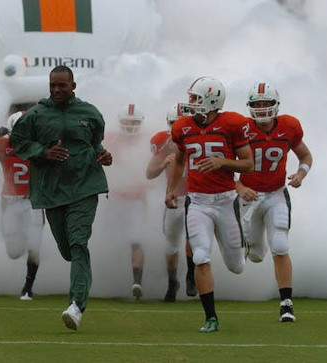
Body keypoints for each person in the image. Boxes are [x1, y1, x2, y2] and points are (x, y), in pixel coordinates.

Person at [10, 65, 112, 331]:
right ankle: (79, 289)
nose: (56, 90)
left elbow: (96, 143)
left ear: (73, 86)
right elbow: (18, 143)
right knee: (67, 250)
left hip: (85, 187)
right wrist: (43, 152)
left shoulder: (90, 113)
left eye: (62, 86)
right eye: (52, 85)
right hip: (51, 191)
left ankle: (76, 306)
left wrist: (104, 155)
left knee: (79, 243)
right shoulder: (35, 115)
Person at [166, 76, 254, 332]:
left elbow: (249, 163)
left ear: (212, 100)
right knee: (201, 256)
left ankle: (244, 243)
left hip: (227, 201)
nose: (191, 102)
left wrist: (222, 162)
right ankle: (211, 317)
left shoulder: (233, 124)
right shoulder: (182, 126)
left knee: (236, 266)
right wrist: (172, 189)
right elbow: (180, 161)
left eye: (195, 98)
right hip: (198, 202)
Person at [236, 82, 312, 323]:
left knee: (280, 245)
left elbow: (305, 156)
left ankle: (286, 303)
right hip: (250, 197)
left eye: (265, 103)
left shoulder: (289, 126)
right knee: (257, 255)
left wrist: (300, 175)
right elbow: (225, 168)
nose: (260, 108)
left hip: (277, 193)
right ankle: (248, 245)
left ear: (275, 105)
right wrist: (240, 187)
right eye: (256, 104)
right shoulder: (241, 129)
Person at [0, 111, 44, 301]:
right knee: (13, 252)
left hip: (33, 201)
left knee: (35, 245)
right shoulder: (3, 145)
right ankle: (19, 244)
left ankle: (28, 288)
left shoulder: (39, 145)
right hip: (10, 202)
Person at [146, 104, 197, 302]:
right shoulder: (163, 141)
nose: (178, 127)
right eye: (174, 123)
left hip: (196, 197)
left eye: (181, 123)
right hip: (174, 197)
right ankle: (172, 281)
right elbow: (149, 173)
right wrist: (162, 164)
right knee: (171, 246)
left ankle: (191, 275)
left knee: (193, 238)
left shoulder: (199, 139)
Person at [104, 103, 151, 300]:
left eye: (134, 122)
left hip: (137, 200)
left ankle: (136, 281)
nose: (130, 126)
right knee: (110, 240)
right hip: (115, 198)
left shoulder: (149, 141)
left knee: (136, 239)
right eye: (127, 122)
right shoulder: (110, 139)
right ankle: (108, 280)